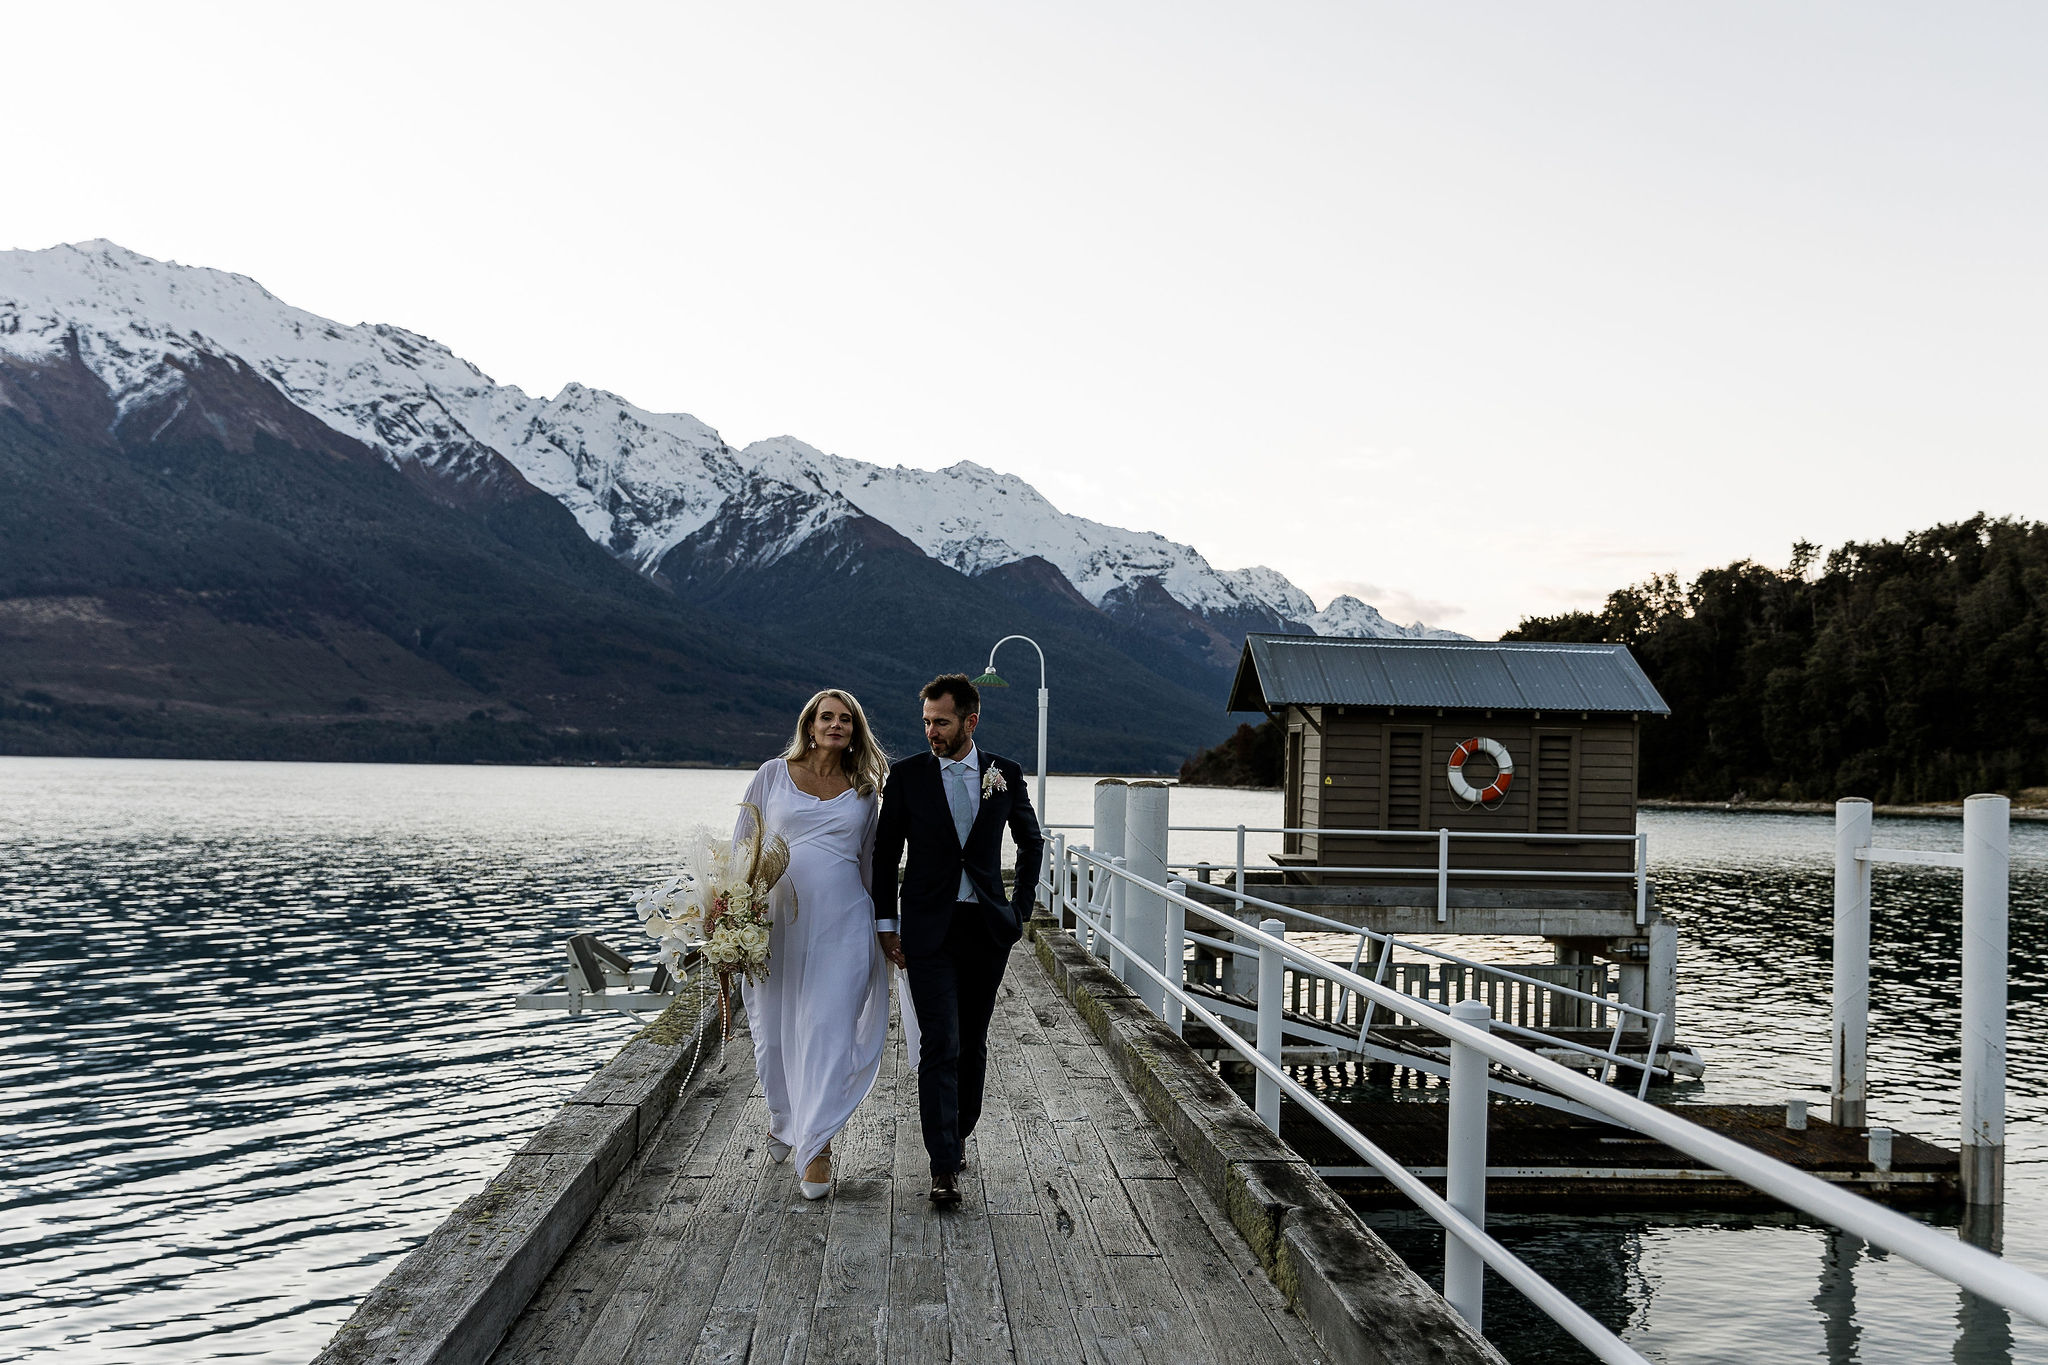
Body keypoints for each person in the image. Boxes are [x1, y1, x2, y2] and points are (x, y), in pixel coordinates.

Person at [873, 673, 1044, 1206]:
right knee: (938, 1043)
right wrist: (886, 924)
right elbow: (884, 856)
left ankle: (959, 1130)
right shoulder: (905, 777)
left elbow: (1031, 842)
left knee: (972, 1042)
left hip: (986, 930)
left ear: (971, 720)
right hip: (928, 931)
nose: (931, 731)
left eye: (941, 722)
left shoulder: (1004, 774)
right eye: (926, 721)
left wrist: (1018, 910)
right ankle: (942, 1164)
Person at [735, 688, 902, 1200]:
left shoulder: (865, 791)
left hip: (846, 920)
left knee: (830, 1027)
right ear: (809, 725)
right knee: (776, 1035)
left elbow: (876, 864)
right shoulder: (771, 774)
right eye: (826, 717)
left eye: (845, 719)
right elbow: (744, 846)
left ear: (855, 730)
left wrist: (888, 925)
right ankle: (783, 1118)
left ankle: (818, 1146)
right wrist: (729, 916)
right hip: (779, 921)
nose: (835, 725)